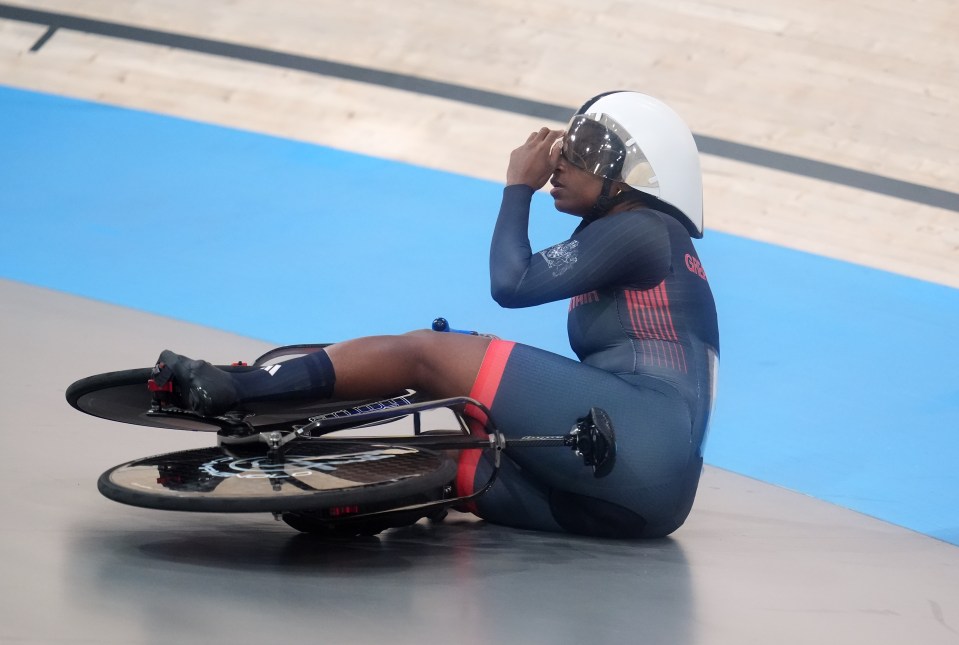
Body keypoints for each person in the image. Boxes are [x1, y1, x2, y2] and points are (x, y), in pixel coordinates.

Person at [155, 91, 720, 539]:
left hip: (638, 440)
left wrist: (516, 187)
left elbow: (511, 281)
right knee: (448, 465)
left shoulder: (644, 229)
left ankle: (235, 386)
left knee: (428, 353)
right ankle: (345, 495)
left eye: (581, 153)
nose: (559, 166)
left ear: (632, 175)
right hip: (643, 504)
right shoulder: (637, 240)